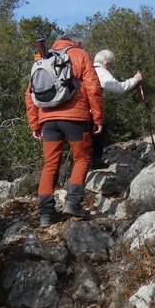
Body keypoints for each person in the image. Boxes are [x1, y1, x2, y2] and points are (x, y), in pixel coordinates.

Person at [25, 36, 104, 226]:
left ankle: (46, 214)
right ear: (75, 43)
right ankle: (72, 203)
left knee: (50, 164)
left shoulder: (43, 58)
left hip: (48, 120)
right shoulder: (80, 54)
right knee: (82, 158)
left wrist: (35, 124)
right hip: (75, 118)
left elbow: (29, 95)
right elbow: (93, 88)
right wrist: (98, 117)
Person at [91, 49, 143, 167]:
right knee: (100, 130)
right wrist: (135, 79)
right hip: (91, 111)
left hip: (80, 109)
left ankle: (91, 163)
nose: (111, 68)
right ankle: (96, 161)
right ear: (107, 62)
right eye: (111, 64)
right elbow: (119, 88)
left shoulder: (88, 68)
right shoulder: (101, 71)